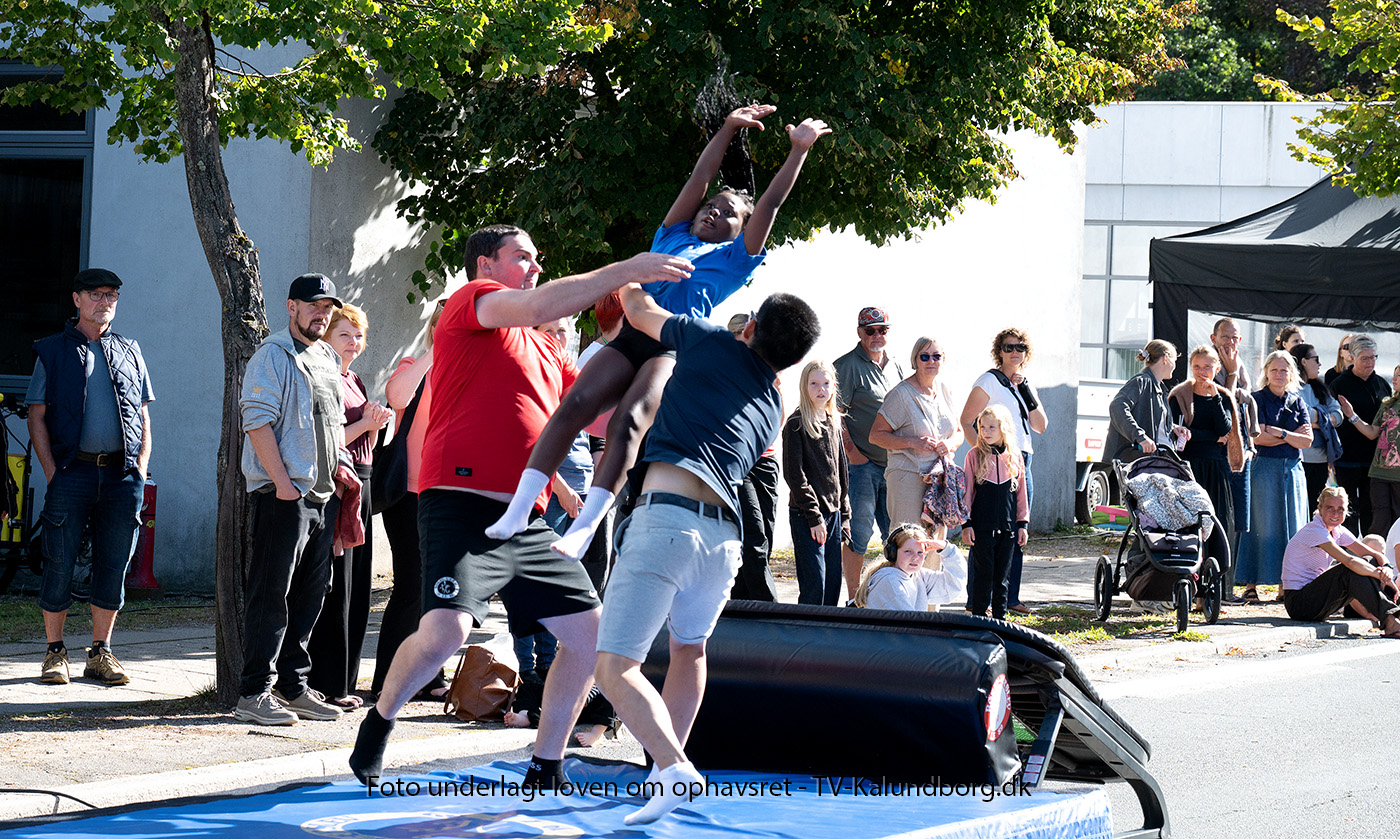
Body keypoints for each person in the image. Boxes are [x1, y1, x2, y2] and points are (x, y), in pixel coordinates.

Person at [348, 225, 693, 791]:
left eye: (538, 257)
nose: (536, 266)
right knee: (446, 634)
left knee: (591, 640)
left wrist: (669, 360)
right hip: (460, 505)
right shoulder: (469, 304)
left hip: (525, 520)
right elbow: (539, 300)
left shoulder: (545, 347)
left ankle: (546, 762)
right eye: (523, 256)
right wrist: (628, 269)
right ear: (486, 265)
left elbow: (594, 415)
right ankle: (380, 719)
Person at [488, 105, 830, 561]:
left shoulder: (734, 259)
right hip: (631, 335)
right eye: (711, 207)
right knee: (574, 405)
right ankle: (518, 507)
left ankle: (586, 528)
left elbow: (768, 204)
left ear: (740, 231)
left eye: (727, 213)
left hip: (670, 347)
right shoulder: (670, 235)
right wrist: (726, 128)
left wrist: (798, 151)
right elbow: (698, 180)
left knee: (628, 421)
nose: (712, 212)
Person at [593, 286, 820, 825]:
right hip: (723, 542)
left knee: (613, 667)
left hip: (667, 520)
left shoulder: (715, 342)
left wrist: (631, 274)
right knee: (689, 651)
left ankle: (673, 767)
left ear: (749, 328)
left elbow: (642, 310)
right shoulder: (773, 403)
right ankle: (663, 778)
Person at [28, 268, 153, 687]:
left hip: (121, 476)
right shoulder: (52, 351)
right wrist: (51, 471)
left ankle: (101, 651)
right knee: (59, 561)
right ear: (77, 299)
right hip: (72, 472)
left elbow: (143, 412)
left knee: (113, 564)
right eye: (96, 294)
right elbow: (37, 415)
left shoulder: (131, 349)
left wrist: (141, 465)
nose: (105, 302)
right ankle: (54, 652)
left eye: (112, 295)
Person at [234, 273, 347, 725]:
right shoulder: (273, 355)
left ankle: (294, 687)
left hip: (322, 495)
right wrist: (283, 483)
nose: (321, 314)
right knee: (271, 594)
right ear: (291, 307)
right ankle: (252, 693)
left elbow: (333, 424)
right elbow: (256, 421)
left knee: (310, 595)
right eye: (313, 305)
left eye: (327, 307)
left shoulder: (326, 358)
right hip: (285, 494)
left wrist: (338, 479)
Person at [304, 303, 391, 710]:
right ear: (327, 338)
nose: (354, 342)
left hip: (365, 480)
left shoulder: (353, 376)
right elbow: (332, 435)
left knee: (357, 586)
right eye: (345, 335)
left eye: (358, 335)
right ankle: (326, 681)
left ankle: (345, 681)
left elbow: (367, 436)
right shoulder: (324, 375)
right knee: (335, 583)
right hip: (340, 483)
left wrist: (376, 423)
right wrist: (369, 424)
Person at [370, 301, 448, 702]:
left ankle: (427, 675)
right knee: (410, 586)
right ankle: (387, 680)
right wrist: (437, 349)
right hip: (409, 492)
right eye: (446, 324)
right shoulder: (414, 366)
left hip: (448, 494)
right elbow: (397, 397)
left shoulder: (470, 372)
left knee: (438, 590)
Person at [959, 327, 1047, 615]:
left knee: (1015, 531)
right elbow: (967, 419)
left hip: (1020, 460)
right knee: (984, 538)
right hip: (992, 461)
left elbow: (1040, 425)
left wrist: (1024, 390)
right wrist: (982, 455)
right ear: (999, 351)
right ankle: (977, 600)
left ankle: (1009, 598)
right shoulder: (989, 380)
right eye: (1008, 347)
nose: (1015, 352)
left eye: (1020, 347)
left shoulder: (1025, 384)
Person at [835, 307, 907, 603]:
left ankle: (889, 595)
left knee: (895, 535)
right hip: (862, 466)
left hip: (893, 465)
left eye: (883, 330)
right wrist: (853, 456)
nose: (877, 335)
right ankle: (854, 600)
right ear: (859, 332)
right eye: (870, 330)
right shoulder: (847, 366)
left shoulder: (896, 366)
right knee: (859, 534)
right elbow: (834, 416)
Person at [1235, 350, 1312, 604]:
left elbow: (1308, 440)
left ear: (1291, 373)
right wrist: (1290, 435)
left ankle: (1286, 584)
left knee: (1293, 527)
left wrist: (1278, 432)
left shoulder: (1297, 401)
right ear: (1266, 372)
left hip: (1292, 470)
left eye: (1284, 370)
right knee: (1261, 526)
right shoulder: (1255, 399)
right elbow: (1257, 437)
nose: (1280, 374)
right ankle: (1250, 584)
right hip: (1263, 468)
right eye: (1275, 369)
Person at [870, 336, 963, 541]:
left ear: (943, 360)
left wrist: (948, 444)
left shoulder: (945, 390)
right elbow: (875, 435)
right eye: (924, 356)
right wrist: (913, 442)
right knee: (908, 542)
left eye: (936, 356)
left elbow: (959, 432)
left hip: (939, 480)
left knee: (935, 544)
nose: (931, 361)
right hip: (907, 477)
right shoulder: (901, 394)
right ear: (915, 360)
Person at [1168, 345, 1241, 597]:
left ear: (1217, 369)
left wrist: (1215, 398)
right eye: (1197, 366)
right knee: (1189, 526)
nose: (1202, 372)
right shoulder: (1179, 395)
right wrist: (1208, 437)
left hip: (1216, 469)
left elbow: (1225, 430)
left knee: (1217, 522)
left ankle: (1212, 592)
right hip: (1189, 469)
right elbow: (1178, 432)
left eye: (1207, 367)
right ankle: (1186, 586)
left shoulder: (1223, 396)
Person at [1281, 487, 1400, 636]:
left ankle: (1389, 612)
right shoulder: (1315, 530)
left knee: (1370, 561)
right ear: (1320, 508)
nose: (1335, 514)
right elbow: (1349, 561)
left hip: (1319, 598)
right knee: (1348, 569)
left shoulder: (1338, 530)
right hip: (1299, 603)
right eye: (1330, 508)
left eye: (1340, 509)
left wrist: (1387, 568)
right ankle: (1390, 620)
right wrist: (1380, 575)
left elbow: (1373, 554)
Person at [782, 360, 851, 606]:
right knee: (815, 584)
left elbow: (841, 472)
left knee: (833, 582)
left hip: (833, 515)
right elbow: (794, 475)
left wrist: (845, 516)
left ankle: (828, 638)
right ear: (804, 386)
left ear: (833, 387)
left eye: (826, 383)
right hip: (807, 515)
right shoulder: (796, 424)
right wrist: (814, 516)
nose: (820, 389)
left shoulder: (834, 421)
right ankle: (806, 638)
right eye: (814, 383)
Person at [727, 312, 781, 602]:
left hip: (767, 461)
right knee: (754, 536)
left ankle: (742, 603)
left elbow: (778, 416)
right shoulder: (723, 371)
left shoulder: (769, 370)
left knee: (765, 538)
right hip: (738, 462)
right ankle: (768, 606)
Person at [961, 405, 1029, 620]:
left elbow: (1021, 494)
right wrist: (966, 524)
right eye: (982, 427)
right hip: (982, 527)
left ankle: (1001, 621)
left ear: (1004, 428)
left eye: (992, 427)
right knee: (983, 574)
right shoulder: (974, 456)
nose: (986, 431)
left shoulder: (1015, 456)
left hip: (1008, 528)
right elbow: (968, 493)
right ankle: (980, 619)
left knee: (1002, 577)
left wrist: (1022, 524)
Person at [1211, 318, 1259, 604]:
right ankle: (1216, 587)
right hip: (1219, 454)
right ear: (1214, 337)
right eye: (1226, 337)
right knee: (1220, 518)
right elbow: (1221, 404)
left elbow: (1246, 398)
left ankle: (1227, 587)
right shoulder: (1209, 363)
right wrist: (1230, 376)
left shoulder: (1239, 363)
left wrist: (1250, 445)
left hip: (1243, 450)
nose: (1231, 342)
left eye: (1236, 338)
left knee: (1239, 520)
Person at [1331, 335, 1391, 533]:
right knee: (1345, 509)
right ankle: (1345, 552)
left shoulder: (1382, 385)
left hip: (1375, 460)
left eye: (1373, 357)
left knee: (1372, 510)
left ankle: (1369, 553)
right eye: (1365, 358)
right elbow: (1331, 422)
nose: (1370, 362)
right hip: (1346, 458)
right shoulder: (1339, 385)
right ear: (1353, 358)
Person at [1341, 364, 1400, 535]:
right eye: (1394, 374)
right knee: (1379, 520)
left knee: (1398, 520)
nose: (1394, 379)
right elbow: (1372, 433)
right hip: (1379, 473)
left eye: (1398, 375)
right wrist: (1352, 415)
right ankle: (1375, 558)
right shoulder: (1388, 404)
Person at [855, 523, 966, 611]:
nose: (915, 558)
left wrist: (947, 550)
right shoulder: (890, 581)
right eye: (908, 551)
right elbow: (907, 624)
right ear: (892, 553)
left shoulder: (918, 576)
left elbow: (953, 587)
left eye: (920, 553)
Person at [1102, 340, 1182, 462]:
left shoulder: (1159, 388)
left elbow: (1150, 421)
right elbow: (1117, 406)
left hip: (1150, 464)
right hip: (1132, 467)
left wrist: (1172, 428)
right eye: (1175, 361)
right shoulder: (1141, 381)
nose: (1175, 366)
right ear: (1166, 358)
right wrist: (1140, 437)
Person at [1288, 343, 1344, 509]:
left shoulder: (1320, 388)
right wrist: (1325, 419)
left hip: (1321, 459)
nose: (1319, 364)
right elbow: (1300, 414)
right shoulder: (1292, 389)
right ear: (1303, 361)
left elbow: (1339, 415)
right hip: (1299, 458)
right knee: (1297, 506)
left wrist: (1317, 422)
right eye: (1316, 359)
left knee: (1315, 507)